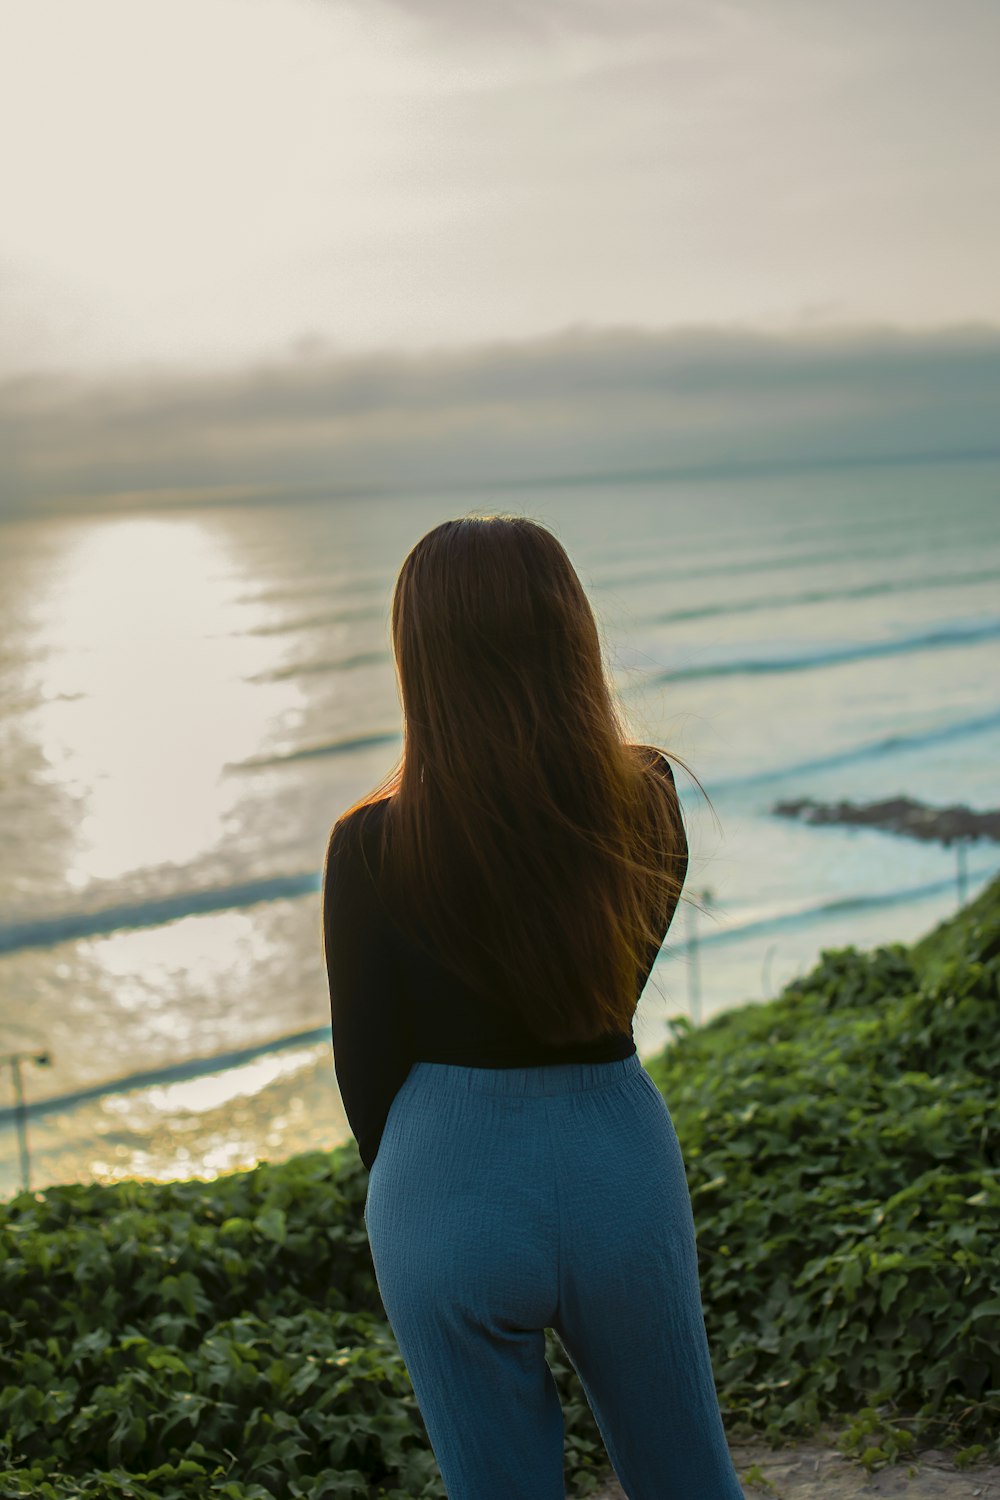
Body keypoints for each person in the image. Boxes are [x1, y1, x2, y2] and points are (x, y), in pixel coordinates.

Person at [321, 514, 744, 1500]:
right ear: (572, 635)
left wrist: (431, 1185)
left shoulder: (370, 846)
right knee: (687, 1478)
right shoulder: (649, 797)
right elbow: (609, 990)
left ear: (417, 656)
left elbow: (366, 1071)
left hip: (442, 1184)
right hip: (616, 1165)